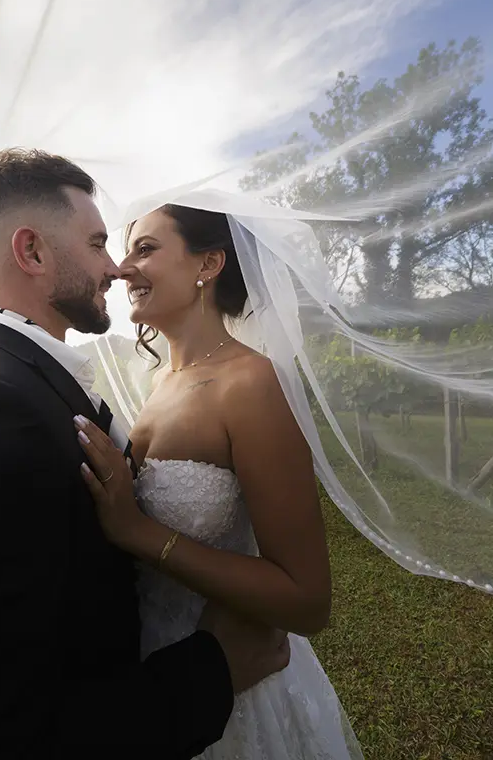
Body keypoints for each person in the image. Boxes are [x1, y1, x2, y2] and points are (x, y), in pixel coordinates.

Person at [0, 149, 290, 760]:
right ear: (32, 252)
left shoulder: (23, 382)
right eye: (98, 244)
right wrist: (211, 670)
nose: (115, 268)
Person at [76, 203, 364, 759]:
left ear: (208, 263)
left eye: (146, 249)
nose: (120, 268)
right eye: (125, 250)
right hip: (161, 675)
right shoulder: (163, 380)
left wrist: (139, 534)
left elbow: (308, 602)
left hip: (237, 683)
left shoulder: (250, 384)